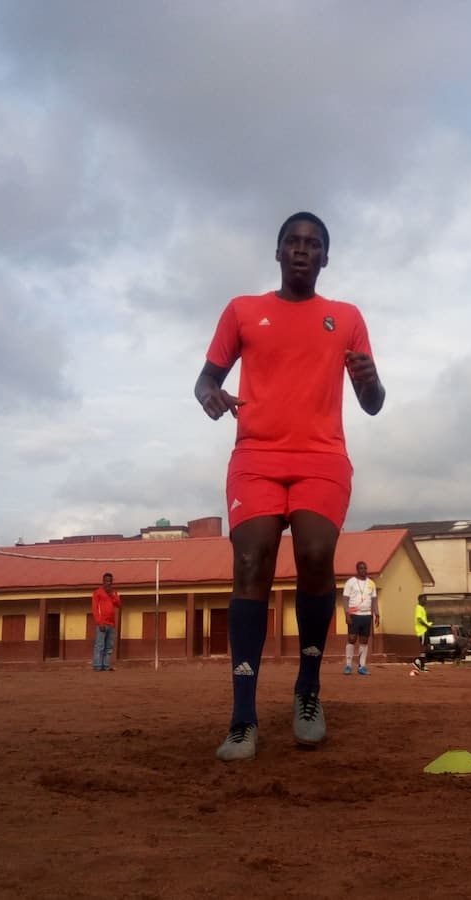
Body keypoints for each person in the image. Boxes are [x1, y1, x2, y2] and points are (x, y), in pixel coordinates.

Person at [194, 211, 385, 762]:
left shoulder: (345, 318)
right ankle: (242, 718)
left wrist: (372, 383)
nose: (302, 250)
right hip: (255, 455)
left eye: (313, 244)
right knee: (250, 562)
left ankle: (307, 691)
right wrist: (209, 394)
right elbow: (207, 377)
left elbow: (372, 402)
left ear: (326, 257)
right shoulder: (243, 311)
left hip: (321, 457)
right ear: (277, 252)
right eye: (292, 242)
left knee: (315, 552)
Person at [342, 561, 378, 675]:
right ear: (357, 570)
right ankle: (348, 665)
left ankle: (362, 666)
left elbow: (374, 600)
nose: (364, 570)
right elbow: (345, 599)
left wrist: (377, 614)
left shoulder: (371, 583)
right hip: (354, 614)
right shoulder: (350, 582)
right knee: (352, 638)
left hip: (367, 615)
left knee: (364, 640)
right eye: (361, 568)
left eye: (365, 568)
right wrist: (347, 614)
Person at [91, 572, 122, 672]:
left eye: (110, 581)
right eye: (106, 581)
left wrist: (112, 595)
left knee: (109, 646)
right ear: (103, 581)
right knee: (100, 645)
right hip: (102, 623)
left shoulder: (114, 592)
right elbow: (95, 609)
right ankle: (97, 666)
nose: (108, 583)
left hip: (111, 624)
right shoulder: (98, 592)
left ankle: (106, 665)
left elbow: (118, 604)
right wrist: (99, 623)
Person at [411, 597, 433, 673]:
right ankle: (418, 662)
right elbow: (419, 619)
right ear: (420, 600)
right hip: (422, 631)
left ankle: (421, 664)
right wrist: (426, 625)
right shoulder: (419, 608)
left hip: (425, 630)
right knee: (423, 648)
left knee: (426, 648)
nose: (426, 601)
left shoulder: (422, 608)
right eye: (424, 599)